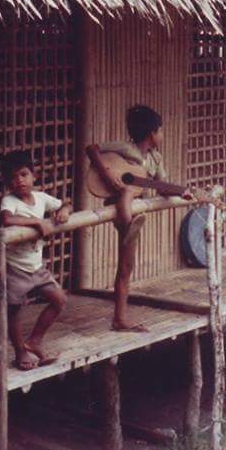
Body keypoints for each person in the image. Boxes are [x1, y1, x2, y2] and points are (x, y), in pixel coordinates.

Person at [86, 105, 192, 332]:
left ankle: (119, 319)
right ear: (152, 134)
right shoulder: (125, 148)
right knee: (126, 191)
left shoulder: (155, 158)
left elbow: (162, 187)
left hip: (134, 209)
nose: (162, 135)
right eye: (161, 131)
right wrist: (108, 174)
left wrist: (181, 191)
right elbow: (92, 149)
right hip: (118, 204)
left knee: (126, 267)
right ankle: (127, 225)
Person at [0, 150, 72, 371]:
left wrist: (65, 212)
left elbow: (64, 204)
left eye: (23, 174)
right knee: (14, 311)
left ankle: (35, 340)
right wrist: (36, 223)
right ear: (7, 182)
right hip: (16, 269)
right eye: (13, 177)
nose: (19, 180)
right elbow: (7, 218)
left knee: (59, 299)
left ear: (34, 176)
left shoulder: (40, 198)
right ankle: (20, 351)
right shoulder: (9, 200)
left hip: (37, 267)